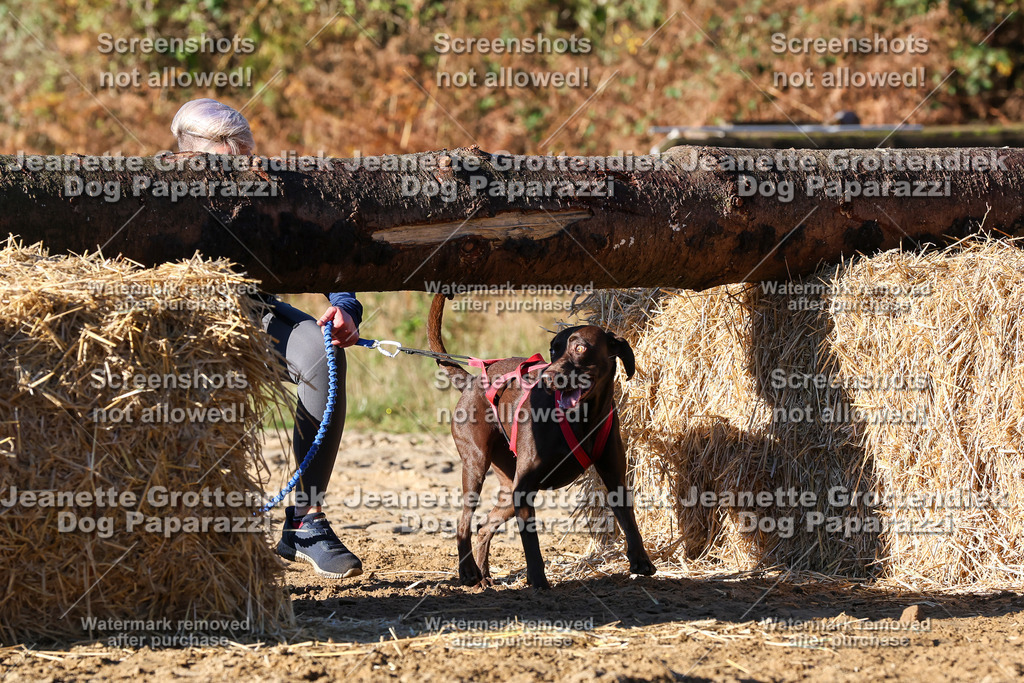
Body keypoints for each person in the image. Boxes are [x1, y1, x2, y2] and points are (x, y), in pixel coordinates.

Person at [170, 98, 363, 578]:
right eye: (231, 160)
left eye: (249, 156)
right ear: (190, 154)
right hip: (173, 316)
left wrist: (344, 305)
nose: (246, 170)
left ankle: (306, 520)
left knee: (321, 355)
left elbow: (324, 246)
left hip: (254, 311)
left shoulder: (266, 184)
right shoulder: (144, 188)